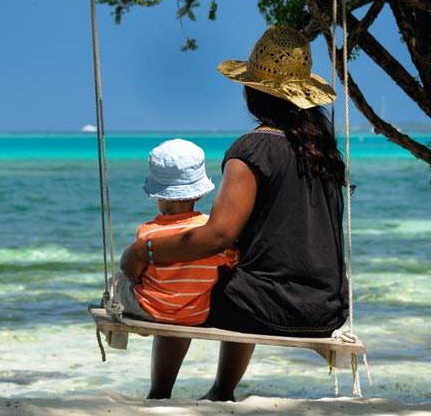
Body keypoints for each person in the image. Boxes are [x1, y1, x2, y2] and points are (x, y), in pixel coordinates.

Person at [119, 26, 349, 401]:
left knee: (184, 286)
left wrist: (143, 253)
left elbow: (219, 234)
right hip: (325, 310)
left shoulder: (252, 148)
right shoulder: (322, 153)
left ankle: (160, 394)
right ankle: (221, 391)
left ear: (253, 91)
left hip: (269, 308)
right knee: (236, 275)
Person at [108, 139, 239, 326]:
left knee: (114, 284)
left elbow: (135, 274)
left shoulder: (147, 233)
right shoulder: (211, 231)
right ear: (200, 194)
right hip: (195, 315)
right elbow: (232, 261)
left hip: (150, 310)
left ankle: (122, 336)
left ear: (158, 196)